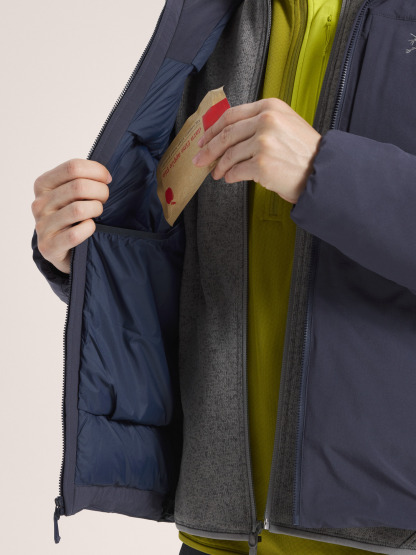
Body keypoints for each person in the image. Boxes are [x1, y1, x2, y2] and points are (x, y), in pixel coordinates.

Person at [31, 0, 416, 554]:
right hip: (218, 531)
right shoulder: (214, 17)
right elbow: (192, 271)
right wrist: (89, 253)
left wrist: (326, 173)